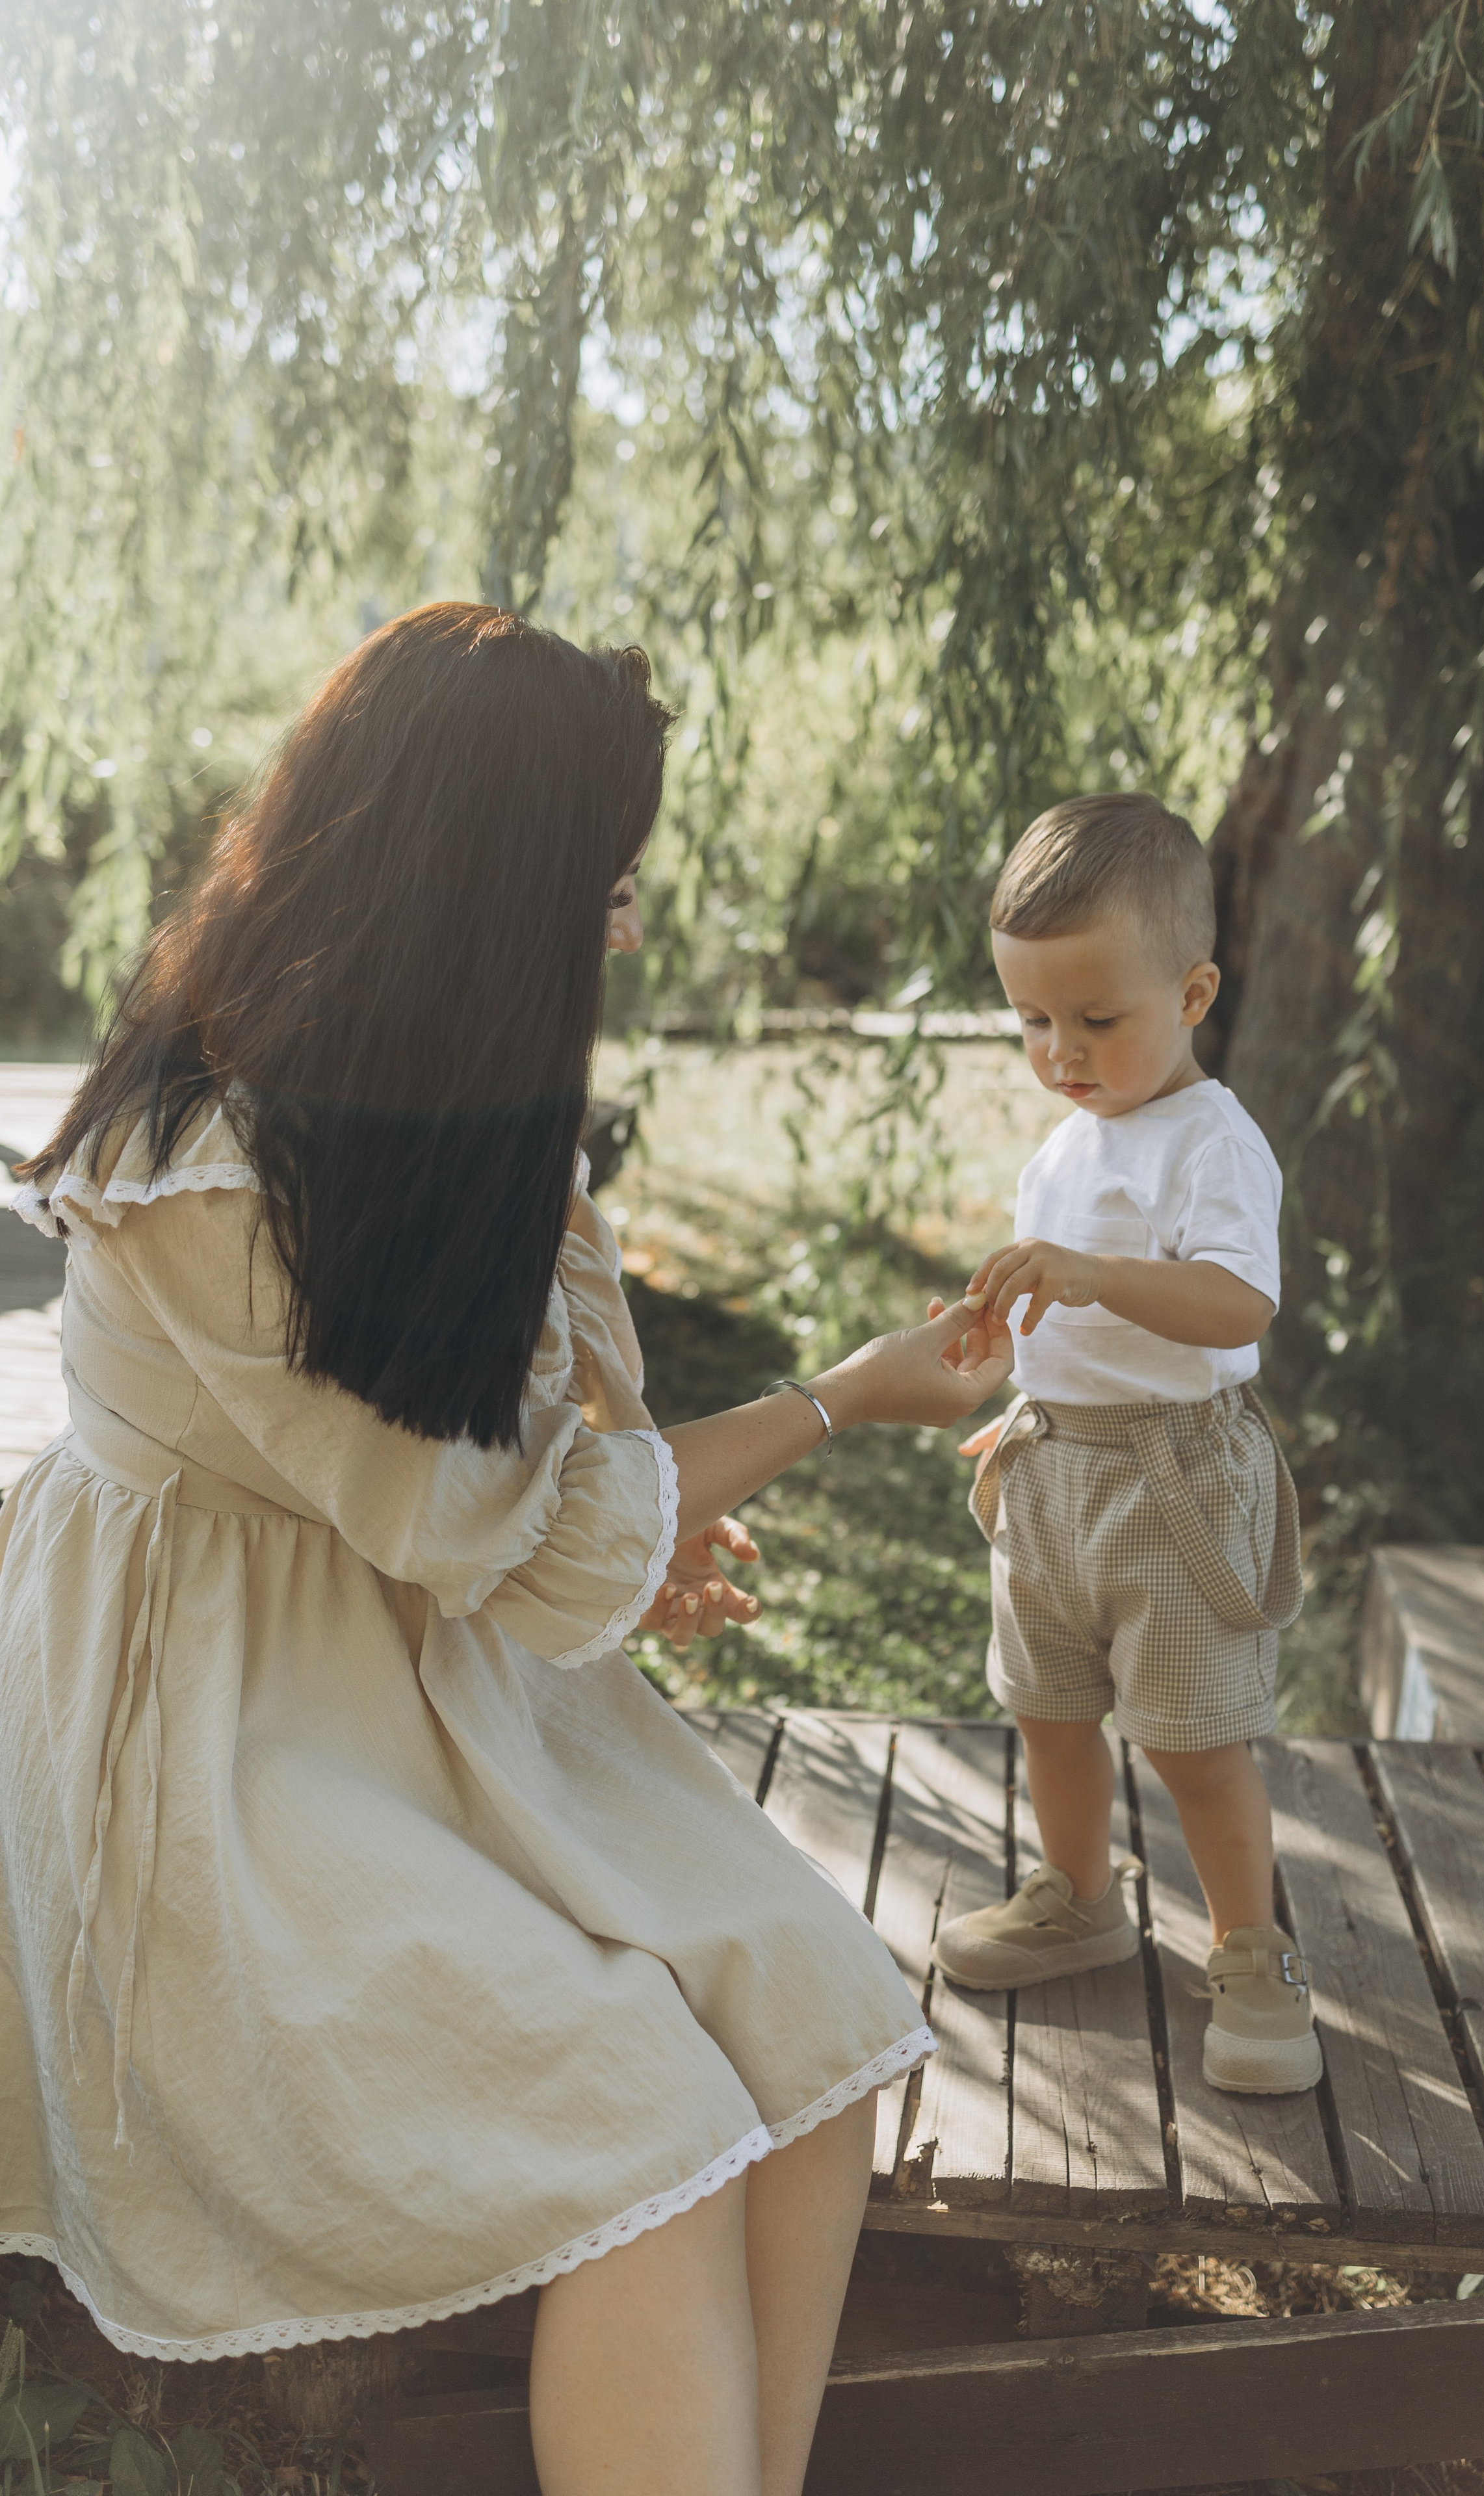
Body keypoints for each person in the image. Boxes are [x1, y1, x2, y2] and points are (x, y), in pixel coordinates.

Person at [0, 603, 1012, 2496]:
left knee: (813, 2033)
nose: (623, 929)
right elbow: (526, 1538)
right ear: (488, 889)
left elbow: (548, 1481)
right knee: (632, 2139)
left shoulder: (417, 1109)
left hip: (400, 1670)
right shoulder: (219, 1172)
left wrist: (632, 1532)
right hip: (208, 1752)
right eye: (599, 884)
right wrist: (839, 1404)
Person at [929, 793, 1320, 2096]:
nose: (1062, 1051)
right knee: (1048, 1712)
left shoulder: (1212, 1143)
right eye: (1034, 1020)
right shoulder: (1066, 1143)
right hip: (1057, 1472)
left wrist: (1089, 1278)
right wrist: (1018, 1387)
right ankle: (1080, 1896)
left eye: (1097, 1020)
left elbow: (1234, 1305)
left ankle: (1250, 1950)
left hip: (1175, 1483)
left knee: (1193, 1739)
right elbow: (1073, 1319)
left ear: (1193, 990)